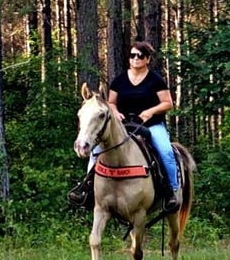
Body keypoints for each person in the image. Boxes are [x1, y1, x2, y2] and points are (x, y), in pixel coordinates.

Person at [69, 41, 180, 213]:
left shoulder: (156, 80)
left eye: (140, 56)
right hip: (125, 125)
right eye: (132, 55)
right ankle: (87, 189)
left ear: (147, 59)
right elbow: (110, 103)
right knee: (96, 152)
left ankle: (171, 191)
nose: (136, 59)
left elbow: (168, 103)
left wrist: (151, 111)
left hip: (150, 125)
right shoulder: (119, 80)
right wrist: (116, 113)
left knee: (165, 152)